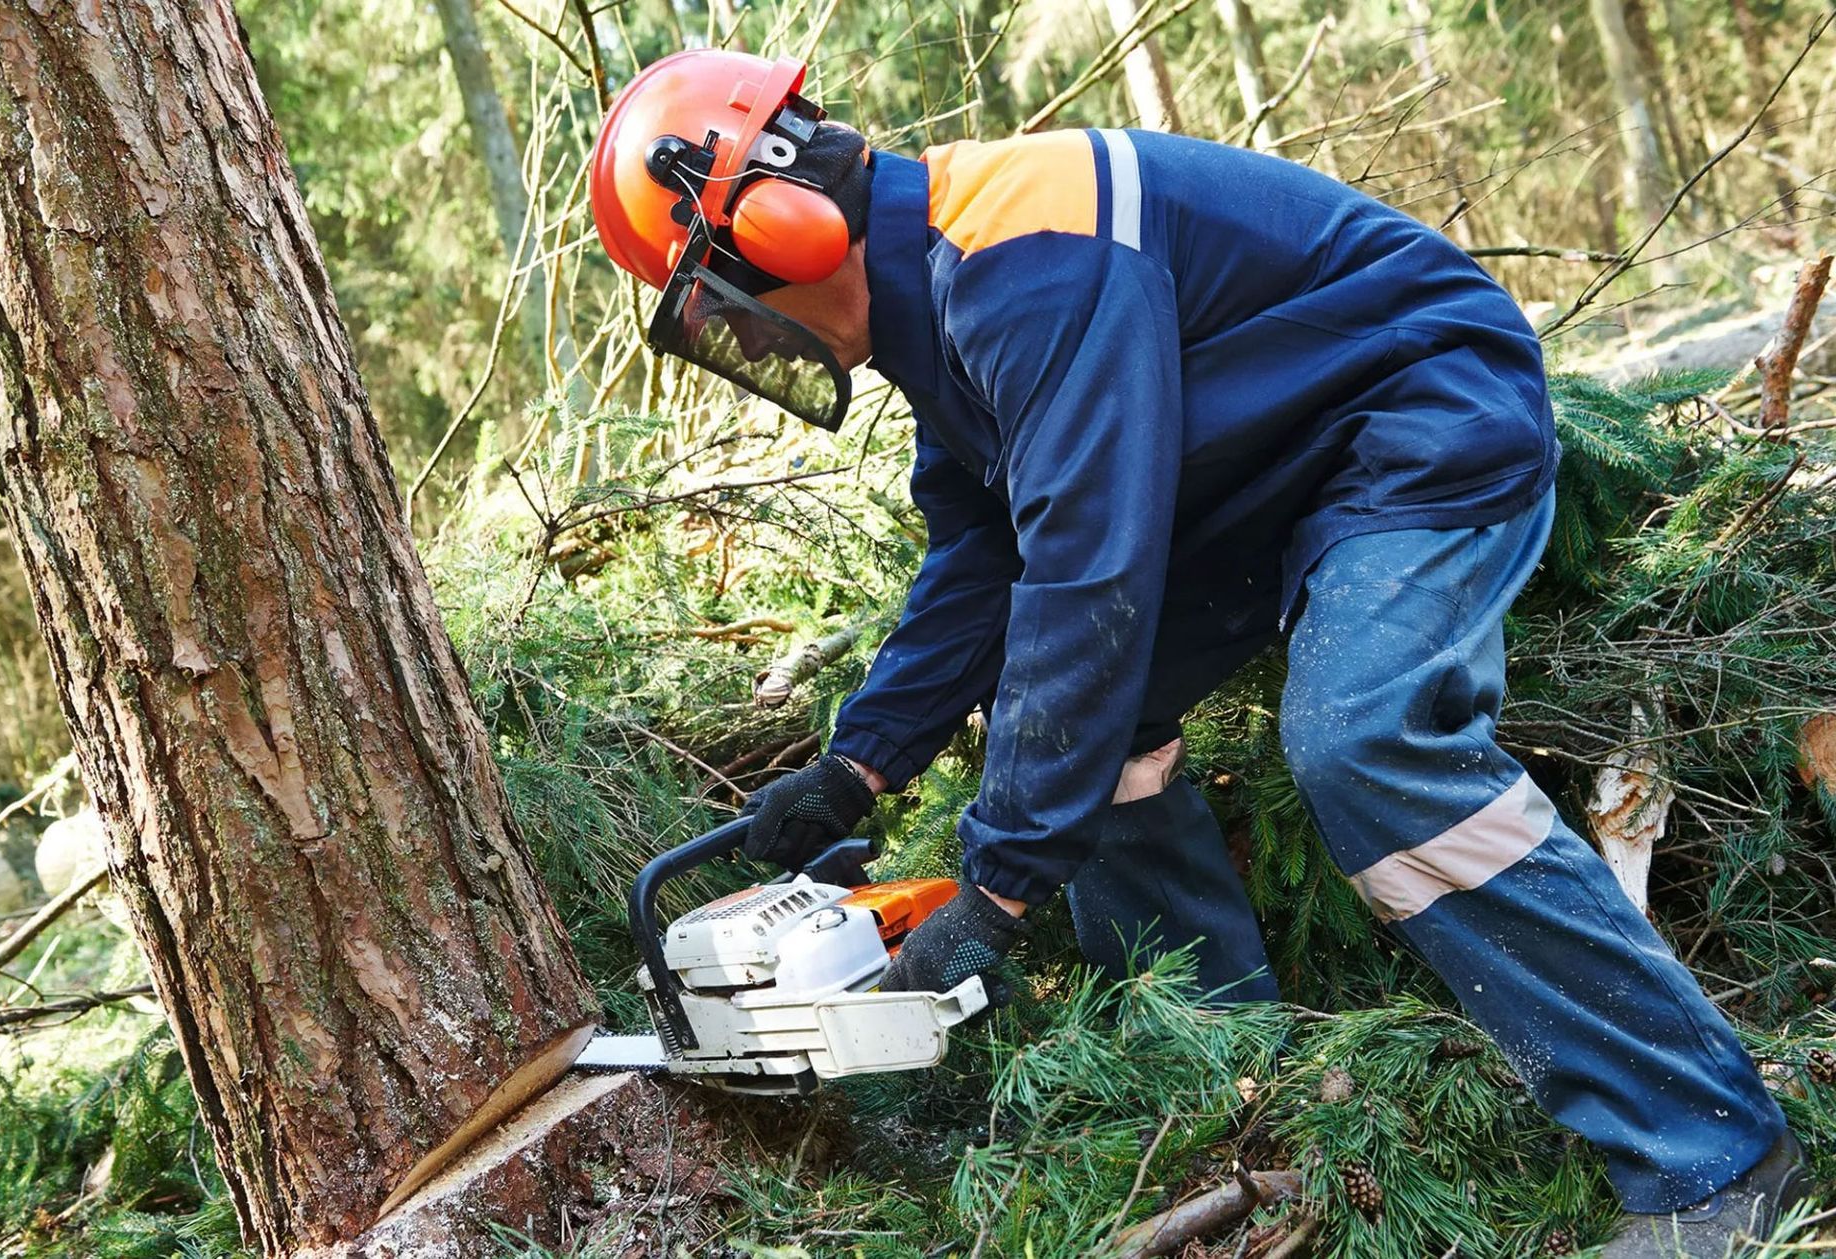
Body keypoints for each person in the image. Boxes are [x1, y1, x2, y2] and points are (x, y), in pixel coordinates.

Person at [586, 49, 1807, 1252]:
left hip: (1419, 413)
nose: (742, 337)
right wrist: (858, 765)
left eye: (720, 298)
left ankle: (1710, 1149)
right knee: (1097, 724)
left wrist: (996, 891)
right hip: (1261, 473)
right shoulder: (940, 299)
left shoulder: (1024, 254)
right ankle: (1229, 1077)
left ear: (782, 228)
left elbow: (1087, 575)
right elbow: (980, 558)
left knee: (1363, 739)